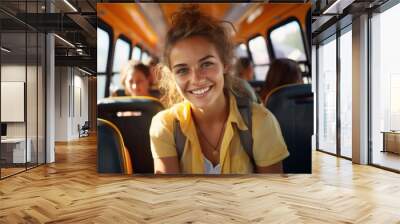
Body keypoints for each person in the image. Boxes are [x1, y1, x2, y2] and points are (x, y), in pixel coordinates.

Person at [149, 5, 289, 174]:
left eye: (206, 64)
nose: (197, 79)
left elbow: (271, 195)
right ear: (172, 76)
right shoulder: (165, 126)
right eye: (182, 70)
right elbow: (169, 197)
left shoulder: (261, 121)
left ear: (225, 65)